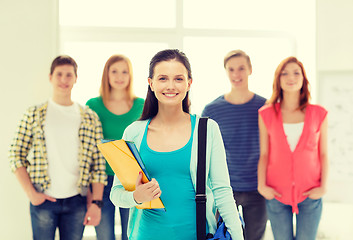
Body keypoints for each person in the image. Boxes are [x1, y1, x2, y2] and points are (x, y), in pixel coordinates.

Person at [110, 49, 244, 240]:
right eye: (163, 78)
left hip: (196, 235)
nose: (171, 86)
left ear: (189, 83)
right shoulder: (134, 132)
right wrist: (136, 197)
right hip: (145, 235)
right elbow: (116, 194)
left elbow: (222, 191)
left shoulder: (207, 130)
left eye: (179, 79)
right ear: (151, 83)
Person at [8, 55, 107, 240]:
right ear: (50, 77)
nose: (64, 80)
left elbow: (98, 164)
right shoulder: (34, 114)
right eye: (59, 74)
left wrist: (96, 203)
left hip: (77, 200)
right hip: (43, 199)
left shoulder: (89, 117)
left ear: (76, 78)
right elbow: (15, 154)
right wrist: (32, 194)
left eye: (69, 75)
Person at [257, 57, 328, 240]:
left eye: (296, 72)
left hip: (310, 192)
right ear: (278, 79)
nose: (291, 77)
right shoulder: (266, 113)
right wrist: (262, 186)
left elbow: (324, 153)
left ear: (304, 79)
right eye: (285, 73)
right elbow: (264, 153)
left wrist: (323, 187)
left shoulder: (319, 113)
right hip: (276, 193)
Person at [202, 50, 267, 240]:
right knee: (223, 237)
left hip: (257, 189)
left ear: (250, 70)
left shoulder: (265, 107)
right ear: (226, 72)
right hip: (224, 189)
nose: (236, 74)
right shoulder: (212, 109)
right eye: (231, 69)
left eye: (241, 68)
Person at [86, 54, 144, 240]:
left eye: (124, 72)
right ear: (106, 74)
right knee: (104, 236)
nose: (120, 76)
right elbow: (87, 148)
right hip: (101, 183)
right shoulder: (93, 105)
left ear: (130, 75)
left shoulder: (141, 105)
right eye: (114, 71)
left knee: (132, 235)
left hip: (132, 181)